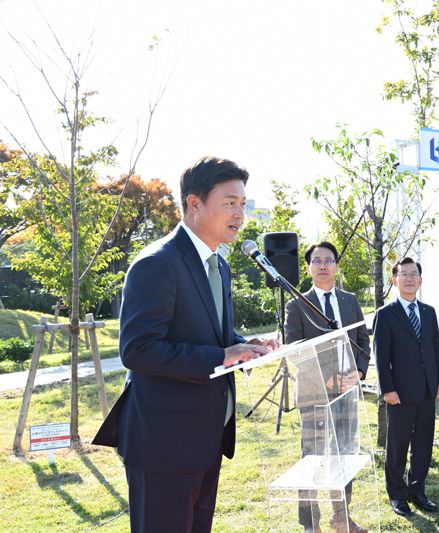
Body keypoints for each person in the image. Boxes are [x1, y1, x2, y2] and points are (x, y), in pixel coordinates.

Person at [93, 157, 277, 533]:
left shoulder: (219, 265)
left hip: (207, 436)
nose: (240, 213)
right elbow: (138, 349)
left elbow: (211, 334)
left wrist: (244, 345)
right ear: (195, 203)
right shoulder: (157, 263)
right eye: (229, 203)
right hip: (164, 443)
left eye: (242, 203)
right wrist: (221, 355)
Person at [284, 241, 370, 533]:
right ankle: (311, 524)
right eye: (317, 261)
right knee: (313, 458)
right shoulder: (296, 304)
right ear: (308, 268)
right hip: (314, 395)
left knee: (344, 455)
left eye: (328, 260)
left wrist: (358, 372)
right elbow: (295, 351)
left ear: (336, 266)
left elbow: (362, 341)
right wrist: (328, 379)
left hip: (348, 392)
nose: (323, 265)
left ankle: (341, 517)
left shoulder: (349, 300)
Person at [372, 257, 439, 518]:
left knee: (424, 444)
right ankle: (397, 495)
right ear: (395, 280)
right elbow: (381, 357)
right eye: (403, 274)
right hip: (399, 393)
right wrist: (387, 389)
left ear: (420, 279)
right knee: (398, 445)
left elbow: (435, 348)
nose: (409, 278)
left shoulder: (428, 312)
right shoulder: (385, 314)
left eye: (414, 274)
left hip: (427, 390)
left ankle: (417, 491)